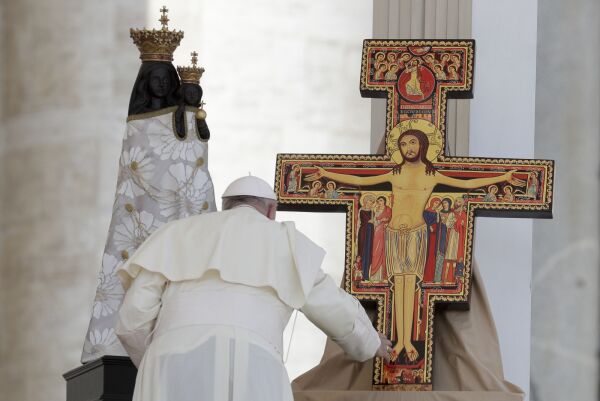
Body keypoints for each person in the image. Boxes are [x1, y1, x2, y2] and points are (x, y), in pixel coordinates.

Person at [115, 175, 392, 401]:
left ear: (225, 206)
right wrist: (369, 342)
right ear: (271, 211)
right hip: (253, 361)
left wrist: (161, 358)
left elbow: (132, 319)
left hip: (171, 359)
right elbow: (332, 306)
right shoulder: (286, 241)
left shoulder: (175, 233)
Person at [307, 129, 518, 363]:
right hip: (394, 234)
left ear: (423, 145)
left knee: (411, 287)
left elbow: (467, 183)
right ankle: (401, 341)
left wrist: (502, 178)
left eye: (413, 142)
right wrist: (327, 173)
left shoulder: (432, 175)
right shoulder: (394, 174)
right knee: (399, 287)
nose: (408, 147)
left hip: (417, 235)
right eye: (404, 143)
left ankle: (407, 340)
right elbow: (361, 181)